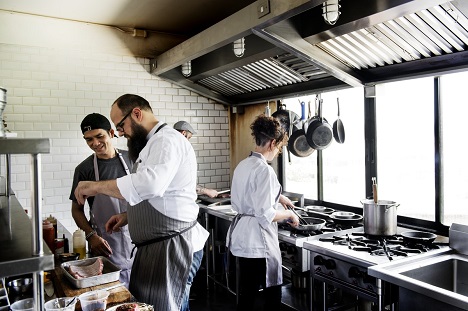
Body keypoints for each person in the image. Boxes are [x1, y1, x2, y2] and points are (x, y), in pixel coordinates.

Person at [74, 94, 209, 311]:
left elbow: (150, 185)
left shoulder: (167, 140)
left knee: (168, 307)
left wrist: (94, 186)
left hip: (173, 246)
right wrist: (129, 216)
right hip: (157, 247)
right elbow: (160, 195)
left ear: (137, 113)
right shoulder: (152, 144)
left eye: (121, 125)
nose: (119, 132)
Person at [226, 114, 300, 311]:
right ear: (273, 143)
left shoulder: (244, 164)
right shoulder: (265, 170)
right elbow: (266, 214)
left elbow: (251, 197)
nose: (277, 152)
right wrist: (290, 215)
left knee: (247, 296)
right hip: (258, 244)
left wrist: (279, 197)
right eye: (279, 148)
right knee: (271, 299)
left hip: (242, 240)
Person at [69, 113, 134, 288]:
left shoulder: (133, 158)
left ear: (111, 133)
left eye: (99, 136)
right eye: (88, 140)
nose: (95, 144)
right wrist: (91, 236)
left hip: (137, 239)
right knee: (114, 293)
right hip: (106, 245)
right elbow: (76, 210)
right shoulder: (84, 169)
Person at [174, 120, 219, 198]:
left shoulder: (172, 149)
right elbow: (184, 183)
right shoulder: (178, 152)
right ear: (183, 133)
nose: (188, 141)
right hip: (177, 202)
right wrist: (206, 191)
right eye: (189, 138)